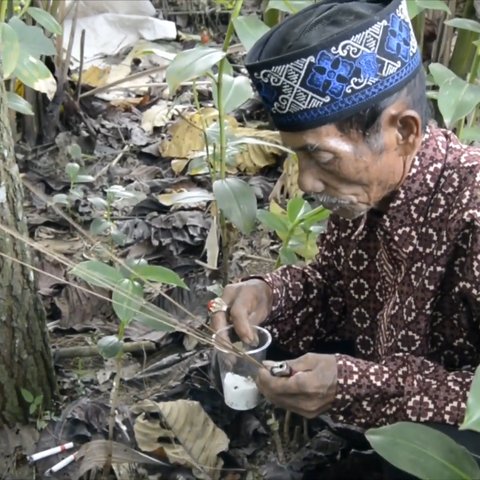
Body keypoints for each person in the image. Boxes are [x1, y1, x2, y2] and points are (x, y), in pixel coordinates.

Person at [210, 0, 480, 441]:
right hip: (390, 385)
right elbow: (337, 291)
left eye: (320, 156)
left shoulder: (473, 207)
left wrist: (358, 385)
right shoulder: (365, 193)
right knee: (260, 342)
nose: (306, 183)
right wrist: (270, 296)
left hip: (455, 424)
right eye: (298, 155)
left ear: (405, 132)